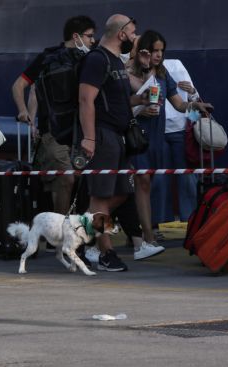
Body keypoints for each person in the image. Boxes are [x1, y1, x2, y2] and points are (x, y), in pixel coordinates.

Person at [126, 30, 212, 259]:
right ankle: (147, 236)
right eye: (154, 50)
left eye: (161, 50)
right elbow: (121, 105)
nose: (158, 55)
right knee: (142, 183)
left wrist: (196, 106)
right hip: (138, 133)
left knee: (149, 182)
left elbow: (177, 103)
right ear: (143, 50)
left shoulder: (163, 74)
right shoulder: (128, 72)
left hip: (157, 135)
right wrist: (143, 109)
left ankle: (140, 232)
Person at [78, 14, 151, 271]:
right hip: (103, 135)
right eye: (132, 32)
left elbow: (119, 98)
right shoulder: (97, 60)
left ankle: (83, 228)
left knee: (123, 191)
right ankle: (106, 251)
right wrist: (89, 138)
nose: (135, 37)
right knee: (101, 194)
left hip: (119, 136)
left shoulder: (116, 62)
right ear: (121, 34)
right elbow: (86, 100)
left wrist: (139, 101)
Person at [12, 15, 97, 218]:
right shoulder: (48, 59)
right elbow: (19, 85)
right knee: (65, 180)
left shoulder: (92, 59)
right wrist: (23, 111)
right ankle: (60, 232)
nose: (93, 41)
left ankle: (71, 230)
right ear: (76, 36)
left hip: (83, 132)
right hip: (54, 132)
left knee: (83, 182)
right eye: (89, 36)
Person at [163, 57, 199, 223]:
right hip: (159, 130)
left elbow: (196, 103)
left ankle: (190, 219)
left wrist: (192, 92)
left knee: (186, 176)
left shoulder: (175, 65)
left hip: (179, 129)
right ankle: (160, 221)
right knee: (158, 178)